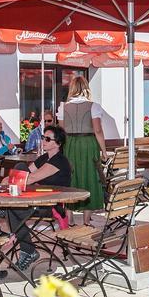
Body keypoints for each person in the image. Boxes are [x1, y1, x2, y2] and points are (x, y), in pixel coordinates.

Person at [6, 124, 73, 271]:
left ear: (58, 143)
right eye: (43, 137)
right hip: (40, 200)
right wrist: (7, 180)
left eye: (48, 139)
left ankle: (28, 251)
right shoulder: (44, 158)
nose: (44, 140)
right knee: (19, 167)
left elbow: (31, 178)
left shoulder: (59, 161)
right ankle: (28, 251)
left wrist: (8, 181)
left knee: (12, 209)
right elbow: (25, 172)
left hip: (52, 205)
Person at [56, 75, 107, 210]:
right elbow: (98, 130)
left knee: (71, 175)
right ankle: (86, 219)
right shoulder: (93, 106)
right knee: (91, 174)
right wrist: (104, 151)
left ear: (71, 88)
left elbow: (61, 130)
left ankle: (70, 217)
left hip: (70, 143)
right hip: (88, 143)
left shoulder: (63, 108)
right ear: (86, 88)